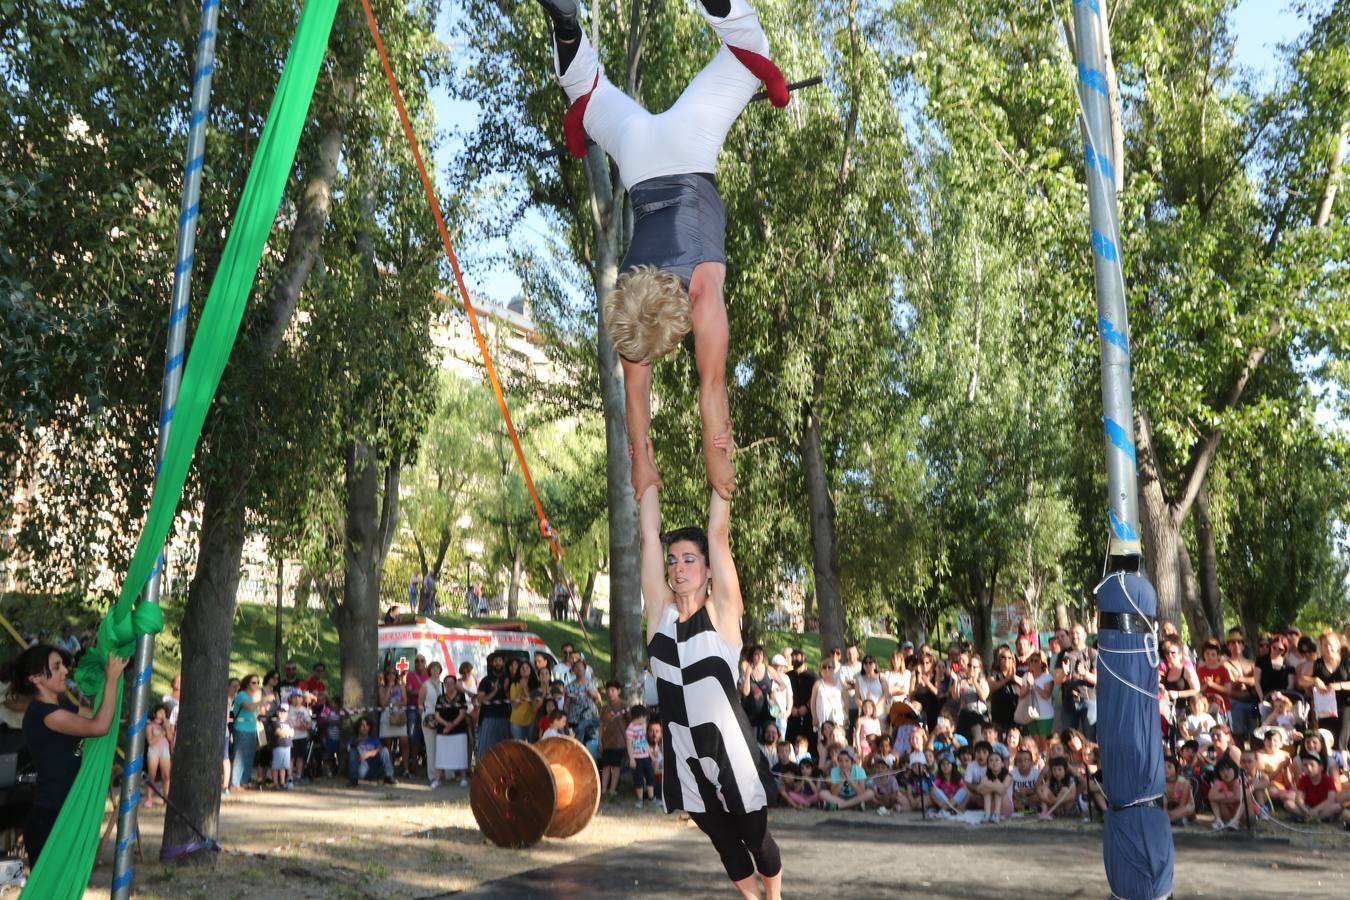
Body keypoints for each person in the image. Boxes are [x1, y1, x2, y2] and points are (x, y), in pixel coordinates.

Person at [535, 0, 788, 504]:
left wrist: (717, 460)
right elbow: (637, 394)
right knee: (589, 91)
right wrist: (641, 462)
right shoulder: (630, 304)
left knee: (749, 47)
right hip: (638, 154)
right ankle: (565, 25)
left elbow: (710, 388)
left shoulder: (700, 289)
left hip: (689, 145)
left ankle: (567, 24)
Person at [639, 468, 780, 898]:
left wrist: (721, 477)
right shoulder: (659, 616)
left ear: (707, 570)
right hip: (685, 757)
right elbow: (648, 535)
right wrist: (642, 475)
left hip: (730, 753)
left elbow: (718, 534)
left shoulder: (721, 614)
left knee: (754, 838)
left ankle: (774, 898)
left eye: (689, 559)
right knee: (724, 842)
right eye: (674, 560)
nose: (679, 568)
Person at [11, 645, 128, 869]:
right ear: (36, 678)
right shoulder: (42, 714)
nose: (65, 671)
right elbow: (100, 726)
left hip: (68, 813)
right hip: (51, 819)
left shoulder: (63, 706)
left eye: (63, 665)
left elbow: (102, 715)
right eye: (57, 667)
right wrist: (111, 679)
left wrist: (108, 677)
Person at [1053, 624, 1097, 741]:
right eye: (1072, 633)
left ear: (1085, 635)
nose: (1074, 636)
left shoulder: (1092, 653)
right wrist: (1064, 673)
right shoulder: (1063, 654)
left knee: (1090, 738)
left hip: (1089, 701)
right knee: (1068, 738)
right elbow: (1056, 679)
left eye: (1077, 633)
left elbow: (1098, 680)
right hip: (1069, 702)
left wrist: (1085, 674)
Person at [434, 673, 471, 787]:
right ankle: (438, 778)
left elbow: (462, 713)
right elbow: (437, 715)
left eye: (451, 682)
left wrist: (452, 725)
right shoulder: (440, 698)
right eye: (446, 683)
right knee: (441, 755)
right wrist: (446, 724)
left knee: (460, 754)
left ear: (455, 684)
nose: (448, 685)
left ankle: (463, 777)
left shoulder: (461, 697)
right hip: (443, 730)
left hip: (459, 730)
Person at [475, 652, 512, 760]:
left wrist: (505, 689)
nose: (498, 663)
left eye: (500, 660)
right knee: (486, 749)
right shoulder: (486, 680)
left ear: (503, 663)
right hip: (489, 717)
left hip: (506, 717)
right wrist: (493, 692)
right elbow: (480, 699)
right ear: (491, 663)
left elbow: (513, 699)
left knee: (504, 749)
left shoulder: (508, 679)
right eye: (495, 661)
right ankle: (481, 772)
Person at [230, 673, 262, 790]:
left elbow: (256, 711)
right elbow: (250, 707)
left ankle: (245, 780)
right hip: (241, 728)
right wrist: (263, 700)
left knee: (250, 755)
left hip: (252, 727)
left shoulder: (254, 696)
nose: (256, 685)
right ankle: (235, 782)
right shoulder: (242, 695)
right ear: (247, 684)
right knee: (240, 755)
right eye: (253, 682)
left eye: (258, 682)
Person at [599, 680, 629, 798]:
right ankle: (603, 789)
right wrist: (600, 740)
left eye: (613, 690)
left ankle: (612, 789)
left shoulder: (624, 705)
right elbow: (601, 725)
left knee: (616, 766)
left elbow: (629, 722)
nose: (610, 693)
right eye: (608, 690)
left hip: (620, 741)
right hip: (607, 741)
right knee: (606, 765)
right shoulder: (604, 708)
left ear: (619, 691)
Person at [347, 717, 396, 786]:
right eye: (362, 725)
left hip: (375, 765)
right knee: (352, 751)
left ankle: (389, 777)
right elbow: (348, 749)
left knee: (384, 750)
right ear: (358, 727)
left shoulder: (373, 739)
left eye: (367, 725)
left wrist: (370, 753)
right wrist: (356, 742)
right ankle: (353, 779)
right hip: (362, 766)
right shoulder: (353, 739)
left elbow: (381, 749)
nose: (365, 728)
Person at [419, 660, 444, 787]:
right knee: (431, 747)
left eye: (437, 668)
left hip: (442, 717)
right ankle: (432, 775)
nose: (435, 671)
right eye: (433, 668)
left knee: (442, 746)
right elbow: (420, 703)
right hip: (429, 717)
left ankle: (444, 773)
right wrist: (423, 718)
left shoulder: (443, 685)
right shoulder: (425, 685)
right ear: (429, 671)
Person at [627, 704, 656, 808]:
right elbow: (629, 745)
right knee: (638, 778)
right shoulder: (630, 729)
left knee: (650, 776)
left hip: (645, 757)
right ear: (638, 716)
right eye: (644, 717)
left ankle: (651, 798)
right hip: (636, 758)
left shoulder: (643, 726)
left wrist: (650, 755)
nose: (645, 719)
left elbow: (644, 741)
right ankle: (639, 799)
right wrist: (631, 759)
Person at [144, 702, 173, 807]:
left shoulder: (167, 724)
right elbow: (150, 741)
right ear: (155, 712)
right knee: (152, 775)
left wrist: (166, 725)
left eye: (164, 712)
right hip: (153, 751)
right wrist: (161, 734)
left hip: (164, 751)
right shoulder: (150, 725)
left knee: (166, 776)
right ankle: (149, 798)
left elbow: (170, 738)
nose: (161, 714)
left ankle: (166, 797)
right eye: (160, 711)